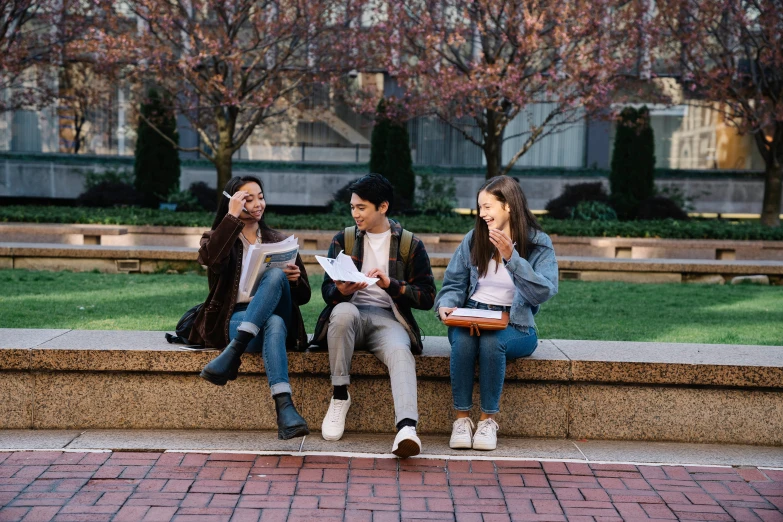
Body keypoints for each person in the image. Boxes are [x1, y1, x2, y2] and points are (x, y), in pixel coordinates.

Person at [311, 174, 436, 458]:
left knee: (400, 352)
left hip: (387, 319)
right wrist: (342, 290)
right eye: (353, 207)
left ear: (383, 207)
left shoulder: (409, 244)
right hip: (350, 314)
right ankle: (340, 395)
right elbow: (327, 292)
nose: (355, 213)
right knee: (341, 312)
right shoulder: (343, 238)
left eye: (362, 207)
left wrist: (391, 285)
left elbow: (428, 296)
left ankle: (406, 428)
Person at [435, 175, 558, 451]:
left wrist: (512, 259)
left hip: (515, 324)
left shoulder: (538, 243)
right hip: (471, 314)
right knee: (464, 342)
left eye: (488, 206)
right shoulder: (475, 238)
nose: (482, 214)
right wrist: (446, 304)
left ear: (508, 206)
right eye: (480, 207)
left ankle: (488, 421)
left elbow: (544, 291)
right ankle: (462, 420)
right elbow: (453, 283)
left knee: (493, 342)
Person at [190, 175, 311, 440]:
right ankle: (285, 408)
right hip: (234, 318)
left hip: (274, 312)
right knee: (274, 324)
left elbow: (304, 297)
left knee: (277, 277)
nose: (258, 204)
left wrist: (294, 280)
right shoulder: (217, 239)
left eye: (261, 196)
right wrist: (231, 219)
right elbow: (211, 260)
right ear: (234, 202)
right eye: (248, 198)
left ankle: (233, 355)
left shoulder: (278, 240)